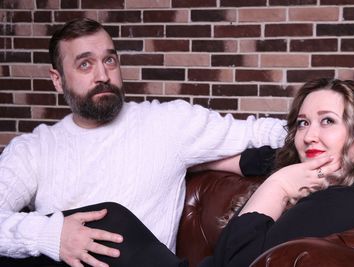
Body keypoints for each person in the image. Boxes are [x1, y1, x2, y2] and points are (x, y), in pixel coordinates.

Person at [0, 18, 287, 267]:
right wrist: (53, 235)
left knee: (112, 219)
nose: (102, 76)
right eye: (85, 64)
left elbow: (260, 132)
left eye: (109, 60)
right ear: (58, 80)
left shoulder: (167, 123)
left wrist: (322, 133)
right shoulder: (34, 148)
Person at [198, 78, 354, 266]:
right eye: (303, 123)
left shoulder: (347, 201)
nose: (309, 136)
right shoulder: (322, 174)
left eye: (327, 120)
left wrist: (278, 185)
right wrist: (194, 163)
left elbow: (237, 263)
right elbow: (260, 159)